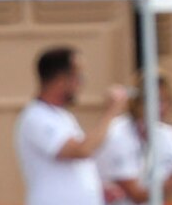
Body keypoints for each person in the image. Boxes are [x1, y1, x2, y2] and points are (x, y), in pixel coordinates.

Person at [15, 46, 130, 205]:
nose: (82, 82)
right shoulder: (36, 117)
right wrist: (111, 112)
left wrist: (98, 189)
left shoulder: (62, 116)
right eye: (79, 76)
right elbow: (81, 150)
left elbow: (73, 166)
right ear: (61, 79)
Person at [94, 71, 172, 203]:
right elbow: (137, 194)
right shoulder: (117, 133)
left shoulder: (169, 134)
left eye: (166, 100)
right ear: (138, 102)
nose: (162, 107)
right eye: (156, 100)